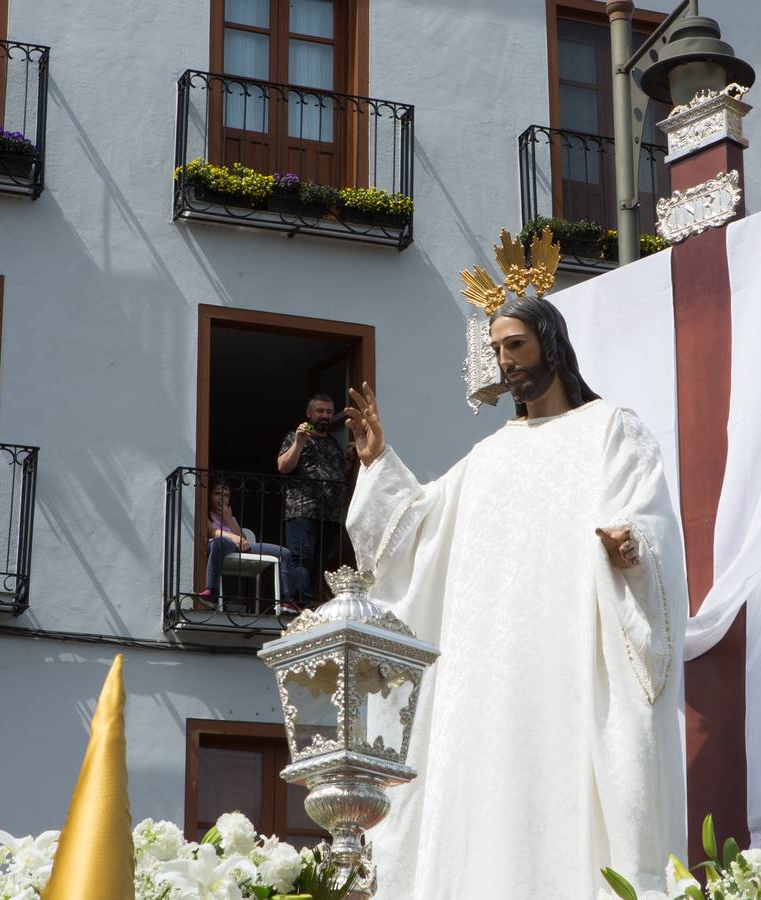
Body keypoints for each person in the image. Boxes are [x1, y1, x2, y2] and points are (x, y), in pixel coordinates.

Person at [344, 296, 687, 899]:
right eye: (498, 350)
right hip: (487, 678)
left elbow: (646, 519)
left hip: (568, 658)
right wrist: (376, 463)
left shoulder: (610, 428)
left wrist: (629, 547)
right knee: (487, 797)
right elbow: (416, 531)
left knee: (566, 788)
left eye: (517, 345)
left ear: (551, 343)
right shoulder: (489, 455)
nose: (506, 362)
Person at [276, 394, 349, 604]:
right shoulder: (296, 436)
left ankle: (318, 605)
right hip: (303, 510)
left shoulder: (334, 443)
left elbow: (338, 473)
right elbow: (283, 466)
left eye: (328, 412)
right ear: (309, 414)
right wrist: (299, 443)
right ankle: (301, 604)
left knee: (322, 563)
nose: (325, 416)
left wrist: (350, 460)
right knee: (301, 559)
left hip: (331, 515)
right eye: (320, 411)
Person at [199, 477, 294, 610]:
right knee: (219, 542)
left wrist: (228, 518)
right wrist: (234, 538)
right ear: (209, 495)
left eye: (226, 495)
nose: (222, 499)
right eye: (217, 494)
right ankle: (211, 591)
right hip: (219, 544)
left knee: (284, 553)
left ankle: (287, 600)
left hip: (237, 546)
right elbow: (212, 531)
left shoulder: (230, 516)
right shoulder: (205, 514)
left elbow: (243, 539)